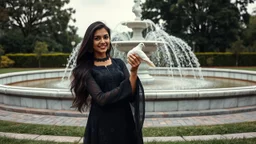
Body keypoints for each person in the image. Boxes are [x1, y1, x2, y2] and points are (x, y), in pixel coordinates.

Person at [70, 21, 145, 144]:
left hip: (124, 120)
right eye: (97, 38)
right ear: (90, 42)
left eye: (105, 37)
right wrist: (125, 86)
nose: (103, 41)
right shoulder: (85, 70)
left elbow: (131, 93)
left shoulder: (119, 63)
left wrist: (134, 71)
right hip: (102, 123)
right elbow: (101, 98)